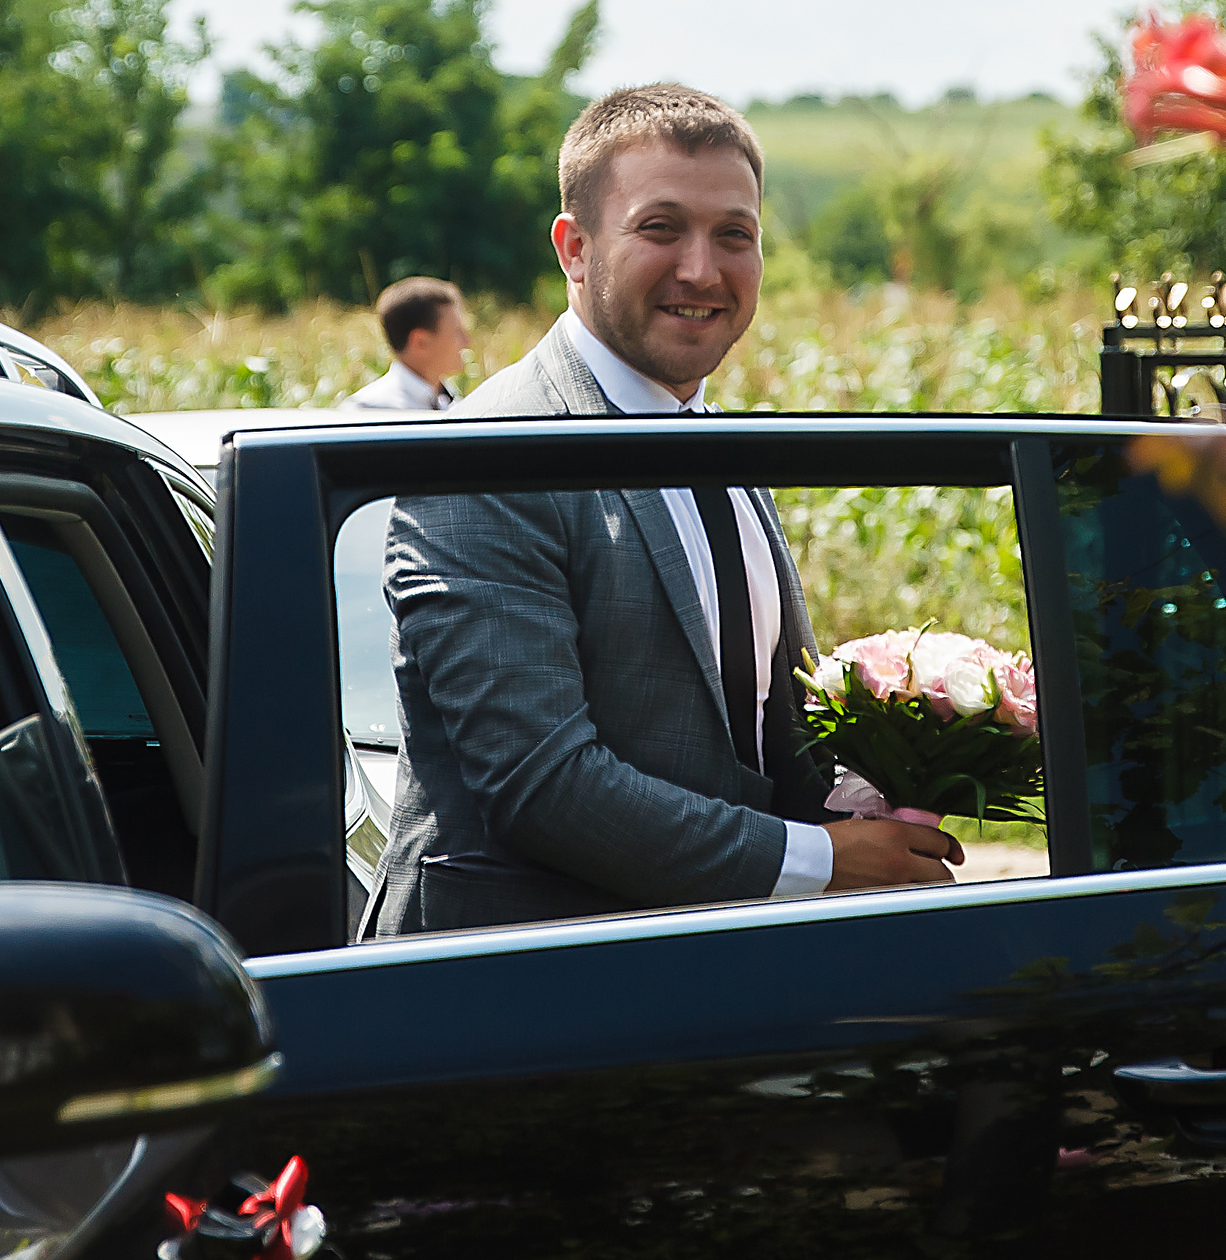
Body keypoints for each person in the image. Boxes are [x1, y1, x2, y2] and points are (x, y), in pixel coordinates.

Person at [360, 82, 962, 936]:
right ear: (574, 248)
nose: (701, 270)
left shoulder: (712, 436)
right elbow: (544, 785)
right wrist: (825, 859)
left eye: (734, 235)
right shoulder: (486, 456)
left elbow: (758, 729)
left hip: (710, 971)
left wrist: (884, 788)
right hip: (509, 998)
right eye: (660, 228)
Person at [346, 276, 469, 411]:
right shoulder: (369, 410)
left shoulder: (454, 404)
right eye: (457, 332)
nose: (467, 342)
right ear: (420, 342)